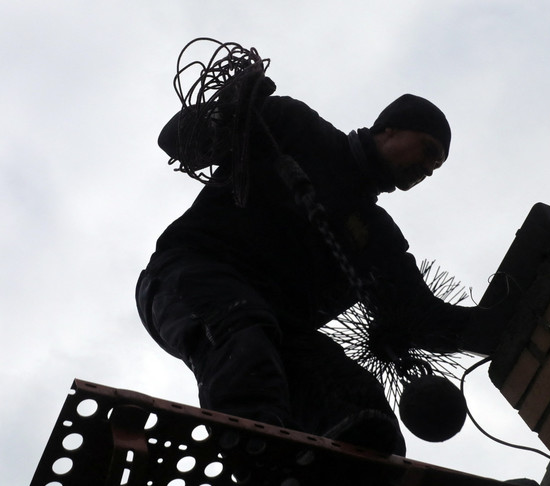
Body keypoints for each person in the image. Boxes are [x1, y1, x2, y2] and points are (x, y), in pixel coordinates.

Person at [135, 74, 483, 457]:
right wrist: (228, 109)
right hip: (186, 277)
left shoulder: (376, 238)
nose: (428, 169)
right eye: (428, 150)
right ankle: (259, 460)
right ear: (390, 129)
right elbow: (177, 138)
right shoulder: (295, 126)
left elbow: (423, 317)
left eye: (436, 165)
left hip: (277, 328)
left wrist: (502, 326)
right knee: (245, 336)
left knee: (358, 402)